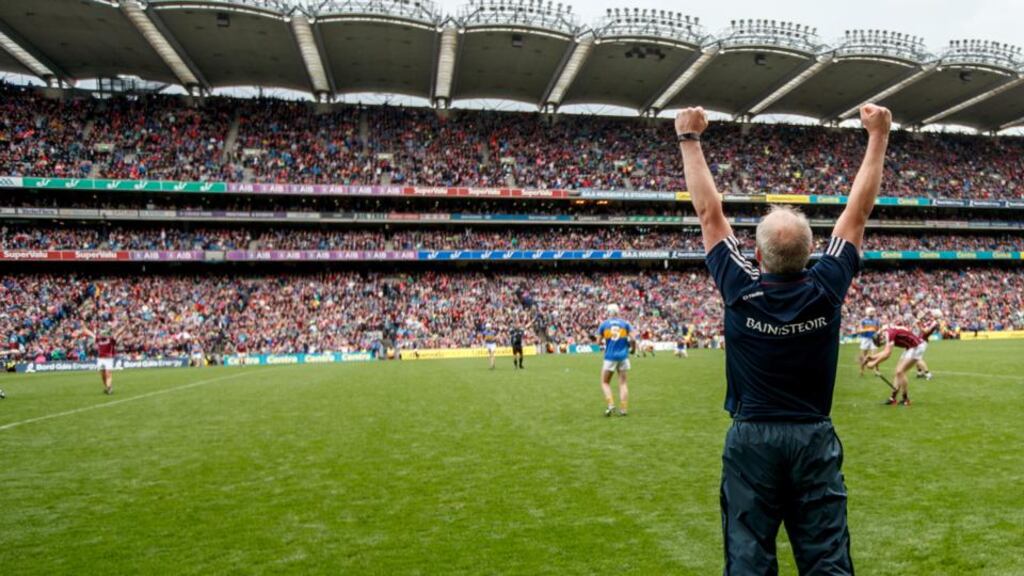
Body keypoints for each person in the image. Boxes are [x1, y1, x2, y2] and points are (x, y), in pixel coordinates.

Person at [676, 102, 891, 574]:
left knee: (749, 559)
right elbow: (857, 213)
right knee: (828, 560)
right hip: (813, 438)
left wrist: (689, 139)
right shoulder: (826, 286)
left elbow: (709, 213)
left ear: (753, 253)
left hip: (752, 439)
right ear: (814, 253)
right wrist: (879, 137)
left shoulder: (740, 286)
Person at [866, 326, 928, 405]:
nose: (882, 342)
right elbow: (885, 352)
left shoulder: (889, 333)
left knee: (900, 371)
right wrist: (872, 358)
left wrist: (873, 363)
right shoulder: (887, 332)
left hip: (916, 346)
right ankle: (892, 398)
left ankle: (905, 399)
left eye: (881, 341)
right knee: (897, 372)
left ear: (881, 335)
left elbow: (887, 354)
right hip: (909, 347)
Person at [596, 304, 632, 417]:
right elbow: (634, 339)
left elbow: (597, 342)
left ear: (608, 312)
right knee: (623, 383)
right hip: (623, 356)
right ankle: (624, 409)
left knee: (605, 382)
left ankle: (611, 404)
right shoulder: (625, 324)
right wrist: (633, 349)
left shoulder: (604, 324)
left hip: (610, 357)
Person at [81, 327, 117, 395]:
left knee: (108, 373)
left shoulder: (111, 339)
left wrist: (125, 327)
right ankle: (106, 387)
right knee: (103, 375)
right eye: (101, 333)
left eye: (103, 333)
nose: (101, 334)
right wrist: (85, 329)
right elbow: (91, 334)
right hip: (100, 359)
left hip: (108, 359)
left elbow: (118, 333)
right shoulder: (98, 339)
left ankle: (109, 388)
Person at [915, 310, 941, 379]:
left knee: (917, 358)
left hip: (922, 341)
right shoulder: (930, 321)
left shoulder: (934, 323)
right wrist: (920, 321)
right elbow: (923, 326)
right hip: (919, 339)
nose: (931, 313)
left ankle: (928, 374)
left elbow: (926, 331)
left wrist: (919, 324)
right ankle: (920, 372)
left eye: (933, 313)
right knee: (914, 357)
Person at [857, 307, 881, 376]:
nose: (872, 313)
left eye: (873, 312)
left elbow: (879, 330)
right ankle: (861, 370)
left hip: (874, 339)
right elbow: (859, 330)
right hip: (865, 339)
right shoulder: (863, 321)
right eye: (871, 312)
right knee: (863, 355)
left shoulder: (877, 321)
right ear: (867, 312)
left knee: (875, 355)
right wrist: (868, 329)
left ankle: (877, 370)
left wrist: (878, 333)